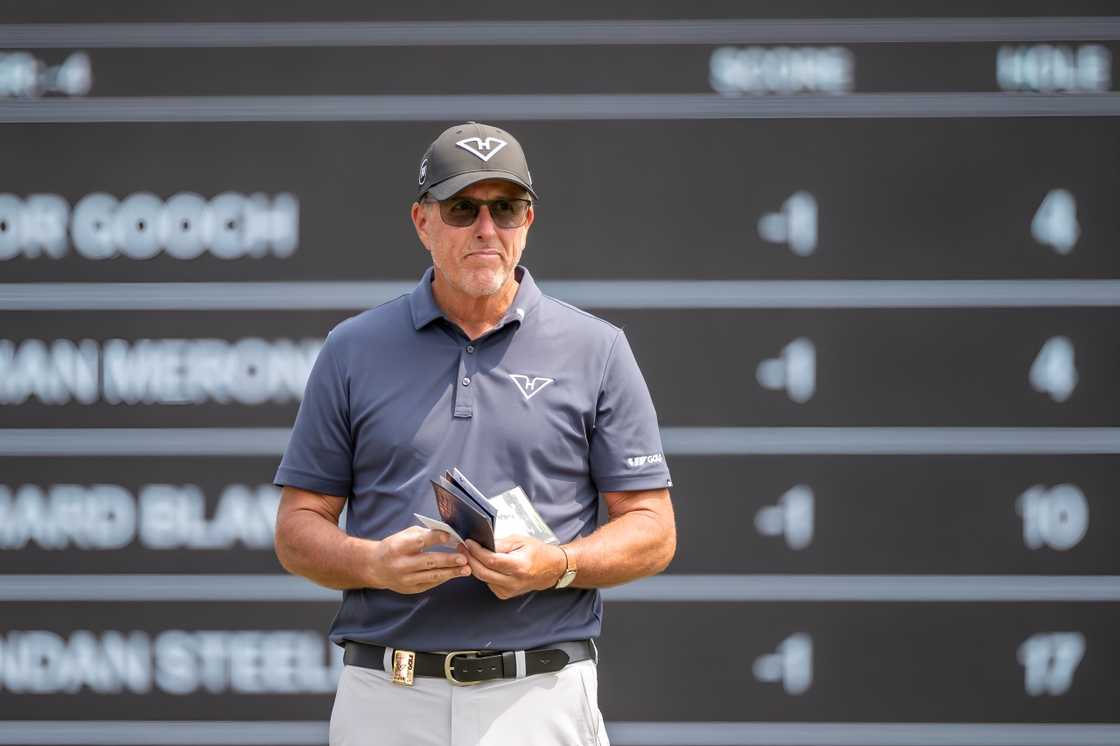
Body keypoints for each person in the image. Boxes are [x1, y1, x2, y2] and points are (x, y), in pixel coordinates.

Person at [273, 121, 676, 746]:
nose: (486, 229)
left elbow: (653, 530)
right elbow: (297, 530)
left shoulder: (597, 349)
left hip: (539, 693)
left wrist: (557, 565)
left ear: (528, 220)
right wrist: (373, 562)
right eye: (463, 208)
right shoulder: (352, 350)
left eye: (505, 208)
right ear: (422, 221)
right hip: (388, 695)